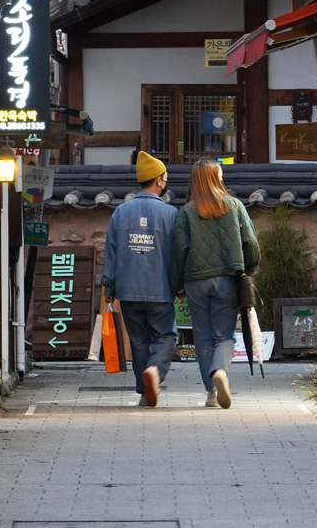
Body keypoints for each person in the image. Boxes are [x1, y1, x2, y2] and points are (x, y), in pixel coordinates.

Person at [169, 159, 259, 408]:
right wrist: (248, 270)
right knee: (225, 335)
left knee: (203, 337)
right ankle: (221, 371)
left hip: (195, 281)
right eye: (220, 174)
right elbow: (250, 243)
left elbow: (178, 252)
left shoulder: (186, 212)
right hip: (227, 279)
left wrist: (176, 286)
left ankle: (211, 394)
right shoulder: (234, 206)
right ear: (214, 178)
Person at [100, 152, 177, 407]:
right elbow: (177, 254)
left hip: (128, 289)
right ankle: (155, 372)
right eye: (165, 176)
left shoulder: (121, 213)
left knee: (139, 341)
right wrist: (180, 286)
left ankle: (145, 392)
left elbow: (110, 251)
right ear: (158, 180)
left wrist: (109, 286)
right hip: (161, 289)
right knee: (166, 336)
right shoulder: (170, 214)